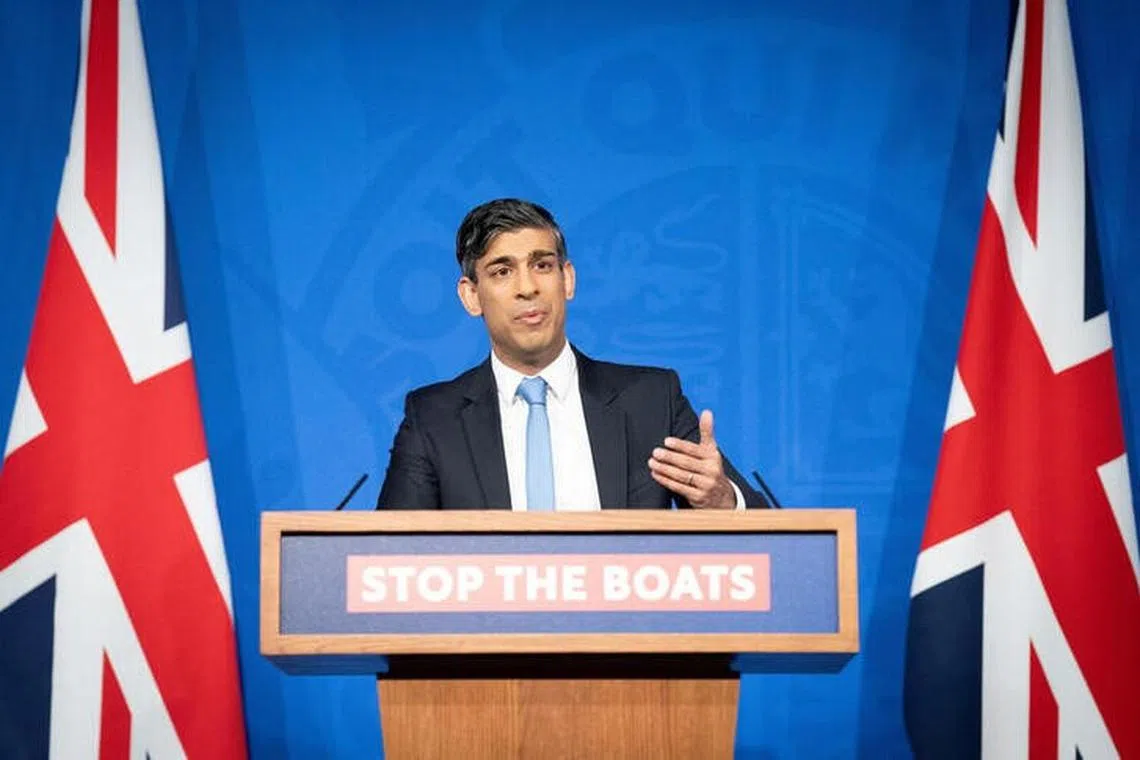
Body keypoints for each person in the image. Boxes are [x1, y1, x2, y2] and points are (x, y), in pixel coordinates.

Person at [376, 198, 770, 510]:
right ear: (471, 295)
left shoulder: (651, 400)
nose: (527, 287)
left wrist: (722, 499)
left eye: (542, 265)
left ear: (567, 279)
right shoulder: (433, 419)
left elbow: (768, 536)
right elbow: (387, 559)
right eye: (502, 271)